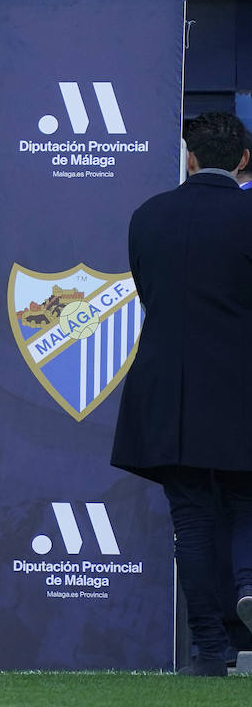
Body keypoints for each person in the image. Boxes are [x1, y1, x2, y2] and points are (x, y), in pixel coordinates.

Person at [111, 111, 252, 677]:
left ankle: (209, 649)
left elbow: (149, 293)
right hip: (241, 382)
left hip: (166, 386)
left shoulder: (148, 216)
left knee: (191, 518)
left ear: (189, 157)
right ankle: (246, 583)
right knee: (244, 501)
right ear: (243, 159)